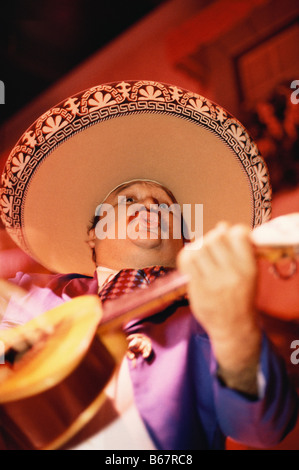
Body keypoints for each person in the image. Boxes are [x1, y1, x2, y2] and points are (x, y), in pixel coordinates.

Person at [0, 80, 297, 450]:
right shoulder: (31, 293)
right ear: (92, 234)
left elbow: (263, 430)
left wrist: (234, 328)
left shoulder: (210, 318)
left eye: (165, 204)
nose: (149, 206)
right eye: (127, 199)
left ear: (186, 241)